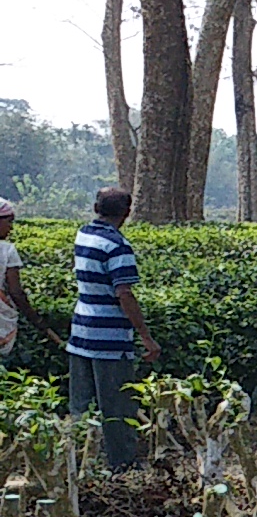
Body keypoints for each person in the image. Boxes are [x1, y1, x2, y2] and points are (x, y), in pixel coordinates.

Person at [67, 186, 157, 470]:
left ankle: (77, 461)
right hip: (110, 339)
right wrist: (146, 336)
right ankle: (121, 464)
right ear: (126, 213)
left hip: (81, 330)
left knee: (81, 405)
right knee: (117, 406)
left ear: (97, 208)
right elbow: (125, 294)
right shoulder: (118, 246)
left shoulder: (84, 235)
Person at [0, 199, 27, 358]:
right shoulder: (7, 251)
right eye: (9, 222)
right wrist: (37, 320)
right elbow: (16, 292)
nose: (11, 227)